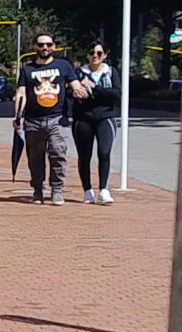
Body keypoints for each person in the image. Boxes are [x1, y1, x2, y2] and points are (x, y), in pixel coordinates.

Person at [14, 30, 78, 204]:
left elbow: (74, 84)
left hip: (57, 119)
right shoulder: (27, 70)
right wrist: (17, 116)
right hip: (33, 121)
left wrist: (80, 89)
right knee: (35, 158)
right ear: (35, 47)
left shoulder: (63, 66)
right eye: (41, 44)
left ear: (54, 47)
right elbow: (21, 93)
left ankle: (57, 189)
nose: (45, 47)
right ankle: (38, 190)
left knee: (58, 152)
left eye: (48, 44)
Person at [70, 42, 118, 203]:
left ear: (104, 55)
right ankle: (87, 190)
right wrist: (76, 93)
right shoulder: (79, 73)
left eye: (99, 53)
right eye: (92, 53)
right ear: (87, 55)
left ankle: (104, 189)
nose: (95, 56)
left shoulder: (110, 72)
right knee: (84, 155)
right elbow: (70, 91)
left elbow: (116, 94)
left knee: (104, 152)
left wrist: (95, 88)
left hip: (105, 117)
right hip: (83, 119)